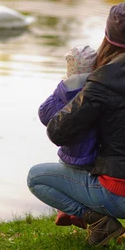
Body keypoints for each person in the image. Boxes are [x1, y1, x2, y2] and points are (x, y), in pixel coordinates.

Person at [27, 2, 125, 246]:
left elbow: (57, 130)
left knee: (36, 178)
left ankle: (100, 223)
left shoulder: (102, 84)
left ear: (108, 36)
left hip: (123, 194)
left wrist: (72, 81)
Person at [38, 45, 98, 230]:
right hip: (94, 157)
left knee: (64, 178)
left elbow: (44, 114)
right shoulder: (98, 92)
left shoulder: (62, 93)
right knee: (81, 183)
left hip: (69, 156)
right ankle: (76, 213)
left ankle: (66, 211)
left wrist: (59, 92)